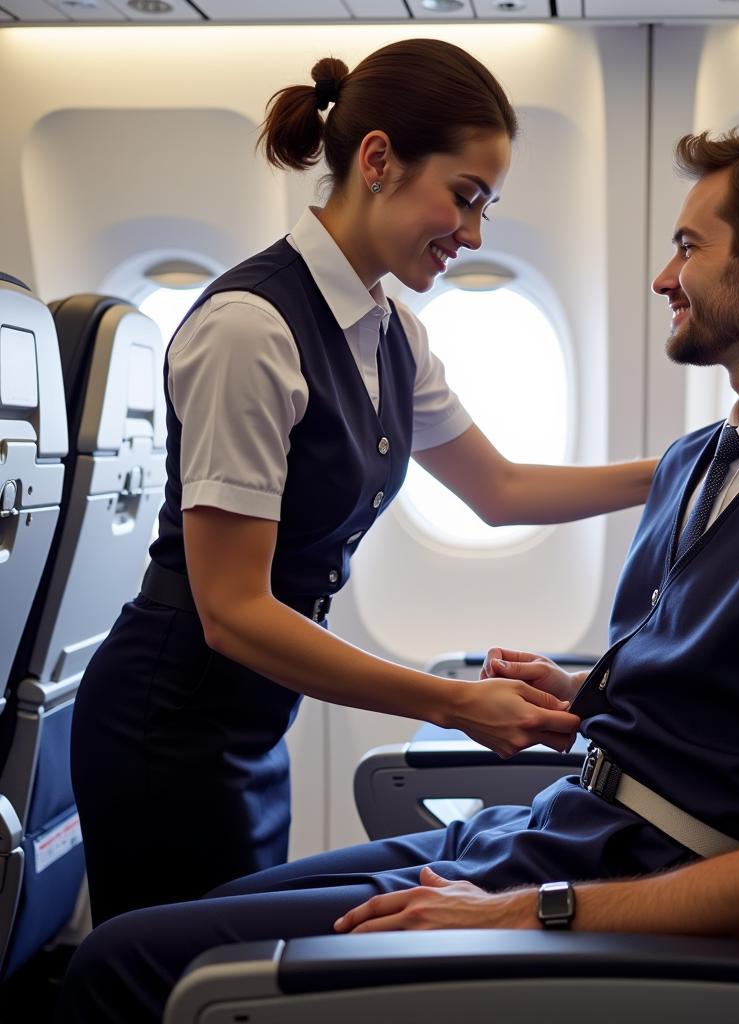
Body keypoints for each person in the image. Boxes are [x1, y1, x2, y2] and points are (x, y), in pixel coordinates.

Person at [57, 128, 739, 1023]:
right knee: (180, 925)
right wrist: (582, 695)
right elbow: (727, 688)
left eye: (687, 247)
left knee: (127, 966)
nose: (661, 278)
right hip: (559, 828)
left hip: (618, 872)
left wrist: (517, 912)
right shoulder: (708, 463)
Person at [69, 39, 661, 928]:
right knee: (172, 973)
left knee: (220, 964)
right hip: (169, 717)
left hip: (251, 713)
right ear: (378, 160)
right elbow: (231, 610)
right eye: (463, 199)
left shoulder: (388, 331)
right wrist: (456, 702)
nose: (472, 235)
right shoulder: (249, 331)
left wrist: (684, 468)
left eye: (487, 209)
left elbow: (499, 488)